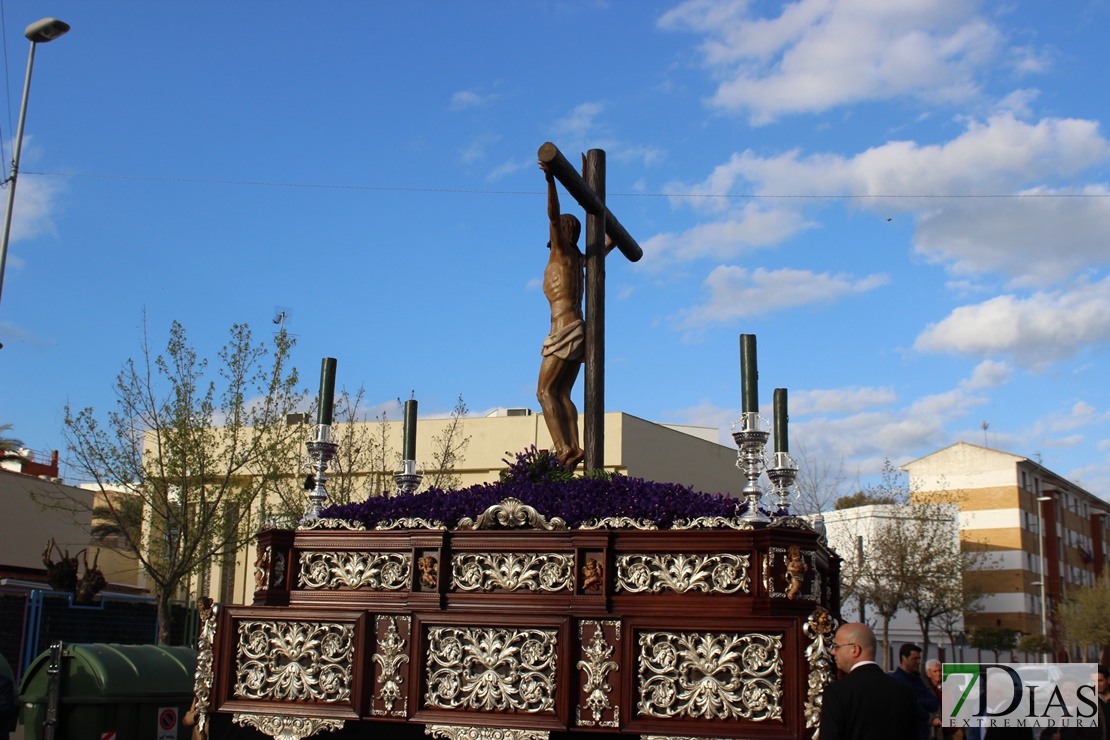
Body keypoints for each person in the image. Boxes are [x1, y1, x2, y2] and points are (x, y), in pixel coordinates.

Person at [535, 159, 615, 471]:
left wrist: (551, 181)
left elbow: (552, 215)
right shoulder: (581, 260)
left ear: (564, 232)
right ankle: (576, 447)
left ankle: (563, 448)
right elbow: (604, 248)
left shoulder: (562, 251)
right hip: (579, 329)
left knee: (543, 392)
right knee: (562, 392)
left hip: (562, 329)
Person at [820, 622, 919, 740]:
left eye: (837, 647)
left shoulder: (837, 692)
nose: (833, 652)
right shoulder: (904, 691)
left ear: (855, 649)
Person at [891, 643, 941, 740]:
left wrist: (917, 701)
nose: (918, 662)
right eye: (915, 659)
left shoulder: (918, 680)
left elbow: (934, 703)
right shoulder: (896, 681)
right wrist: (920, 704)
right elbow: (906, 709)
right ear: (904, 658)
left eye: (919, 659)